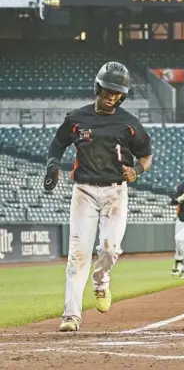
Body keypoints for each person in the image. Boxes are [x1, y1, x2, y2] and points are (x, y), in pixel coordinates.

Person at [44, 61, 152, 332]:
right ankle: (71, 315)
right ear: (98, 88)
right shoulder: (76, 118)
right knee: (78, 255)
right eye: (107, 90)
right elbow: (57, 143)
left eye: (116, 93)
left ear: (122, 95)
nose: (111, 97)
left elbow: (146, 155)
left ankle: (101, 281)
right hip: (84, 192)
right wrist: (53, 164)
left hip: (116, 191)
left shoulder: (129, 124)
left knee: (110, 249)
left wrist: (137, 170)